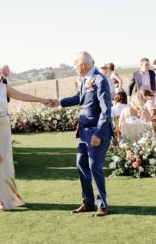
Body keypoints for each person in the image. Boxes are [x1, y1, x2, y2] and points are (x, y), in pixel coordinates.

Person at [0, 59, 49, 211]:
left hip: (3, 127)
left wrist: (42, 100)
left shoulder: (4, 87)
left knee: (4, 164)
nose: (0, 72)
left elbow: (23, 96)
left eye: (0, 69)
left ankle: (6, 197)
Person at [48, 51, 113, 217]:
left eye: (75, 66)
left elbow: (106, 110)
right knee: (81, 165)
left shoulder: (99, 79)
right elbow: (80, 98)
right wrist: (59, 102)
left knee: (94, 167)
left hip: (97, 132)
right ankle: (87, 202)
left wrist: (98, 134)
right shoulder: (85, 79)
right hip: (84, 133)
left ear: (82, 65)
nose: (74, 69)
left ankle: (102, 205)